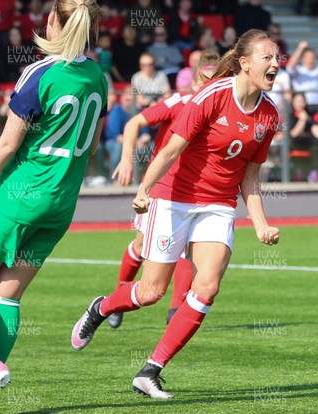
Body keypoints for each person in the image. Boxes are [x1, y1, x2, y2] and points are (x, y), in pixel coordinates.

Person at [72, 29, 280, 398]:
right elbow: (169, 151)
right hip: (173, 197)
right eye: (267, 57)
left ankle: (151, 370)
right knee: (152, 291)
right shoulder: (210, 96)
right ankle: (101, 307)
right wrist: (143, 190)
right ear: (245, 63)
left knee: (207, 287)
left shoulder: (269, 115)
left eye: (278, 57)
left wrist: (261, 223)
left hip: (218, 205)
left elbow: (250, 174)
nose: (276, 64)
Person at [0, 1, 107, 412]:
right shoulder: (97, 76)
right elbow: (95, 143)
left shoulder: (41, 72)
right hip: (62, 204)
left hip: (21, 194)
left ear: (53, 20)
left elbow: (7, 143)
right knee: (8, 297)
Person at [106, 50, 221, 329]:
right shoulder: (178, 102)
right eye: (205, 81)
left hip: (195, 193)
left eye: (216, 81)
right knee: (141, 245)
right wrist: (126, 159)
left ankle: (175, 308)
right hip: (162, 190)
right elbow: (135, 122)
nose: (209, 87)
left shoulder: (221, 111)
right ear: (194, 83)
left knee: (188, 250)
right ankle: (118, 296)